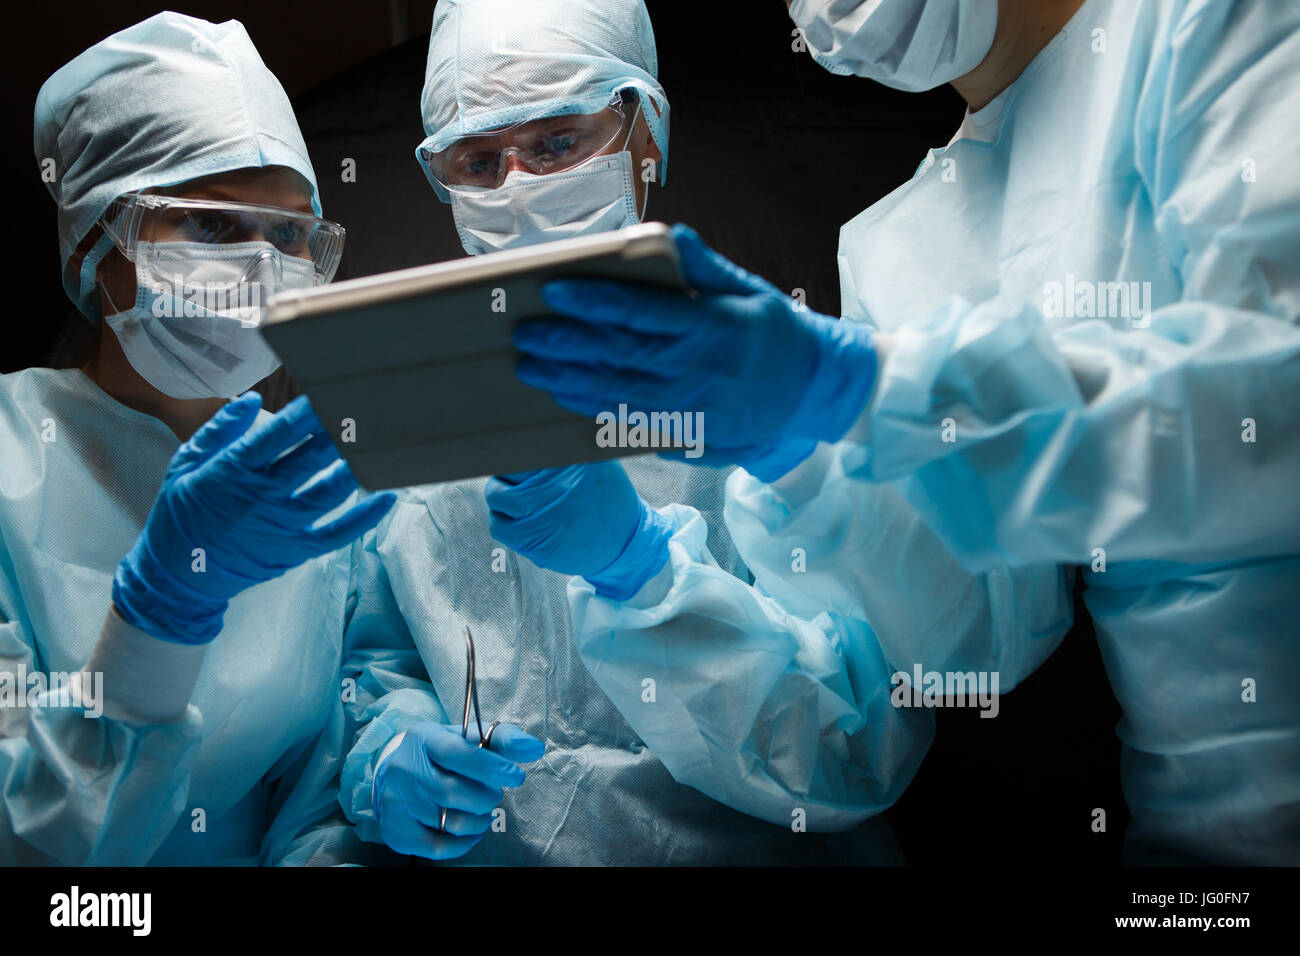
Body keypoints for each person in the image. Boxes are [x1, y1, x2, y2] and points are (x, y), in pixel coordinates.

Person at [506, 0, 1300, 864]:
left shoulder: (1213, 24)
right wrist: (800, 455)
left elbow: (1270, 417)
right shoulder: (907, 242)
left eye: (556, 141)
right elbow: (971, 649)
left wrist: (859, 390)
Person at [397, 0, 1072, 861]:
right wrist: (389, 742)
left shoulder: (757, 386)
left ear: (647, 137)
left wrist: (640, 573)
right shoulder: (409, 414)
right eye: (478, 161)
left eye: (559, 143)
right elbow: (373, 658)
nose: (518, 186)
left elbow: (852, 754)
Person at [3, 12, 540, 866]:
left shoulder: (303, 472)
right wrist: (159, 615)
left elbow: (321, 756)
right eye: (213, 226)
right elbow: (34, 842)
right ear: (99, 243)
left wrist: (387, 758)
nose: (262, 268)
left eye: (290, 235)